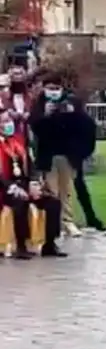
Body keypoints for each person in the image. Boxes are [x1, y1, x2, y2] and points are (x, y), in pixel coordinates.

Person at [28, 72, 97, 237]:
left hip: (67, 154)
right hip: (48, 155)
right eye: (50, 88)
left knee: (66, 190)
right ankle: (53, 224)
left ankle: (68, 221)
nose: (53, 92)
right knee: (52, 190)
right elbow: (35, 126)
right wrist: (46, 115)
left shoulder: (72, 102)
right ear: (44, 89)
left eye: (56, 88)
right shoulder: (39, 104)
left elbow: (86, 126)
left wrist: (72, 113)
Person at [0, 110, 66, 259]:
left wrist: (34, 183)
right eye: (3, 122)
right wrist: (12, 187)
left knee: (53, 203)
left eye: (9, 121)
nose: (8, 124)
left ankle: (49, 244)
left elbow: (31, 166)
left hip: (24, 184)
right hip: (5, 188)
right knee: (20, 204)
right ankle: (21, 245)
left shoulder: (18, 142)